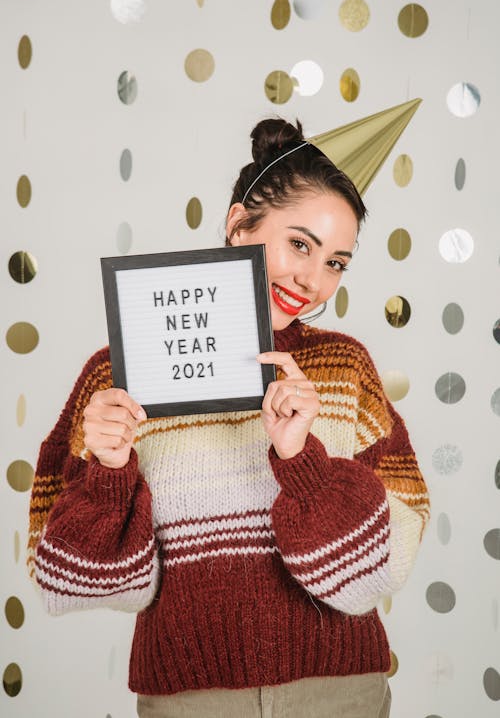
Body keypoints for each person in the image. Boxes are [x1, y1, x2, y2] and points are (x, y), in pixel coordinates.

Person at [28, 118, 430, 718]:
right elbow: (66, 582)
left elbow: (390, 562)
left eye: (336, 262)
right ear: (238, 224)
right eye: (299, 244)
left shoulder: (345, 369)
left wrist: (302, 462)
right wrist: (111, 475)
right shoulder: (122, 371)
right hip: (189, 696)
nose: (312, 281)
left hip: (338, 691)